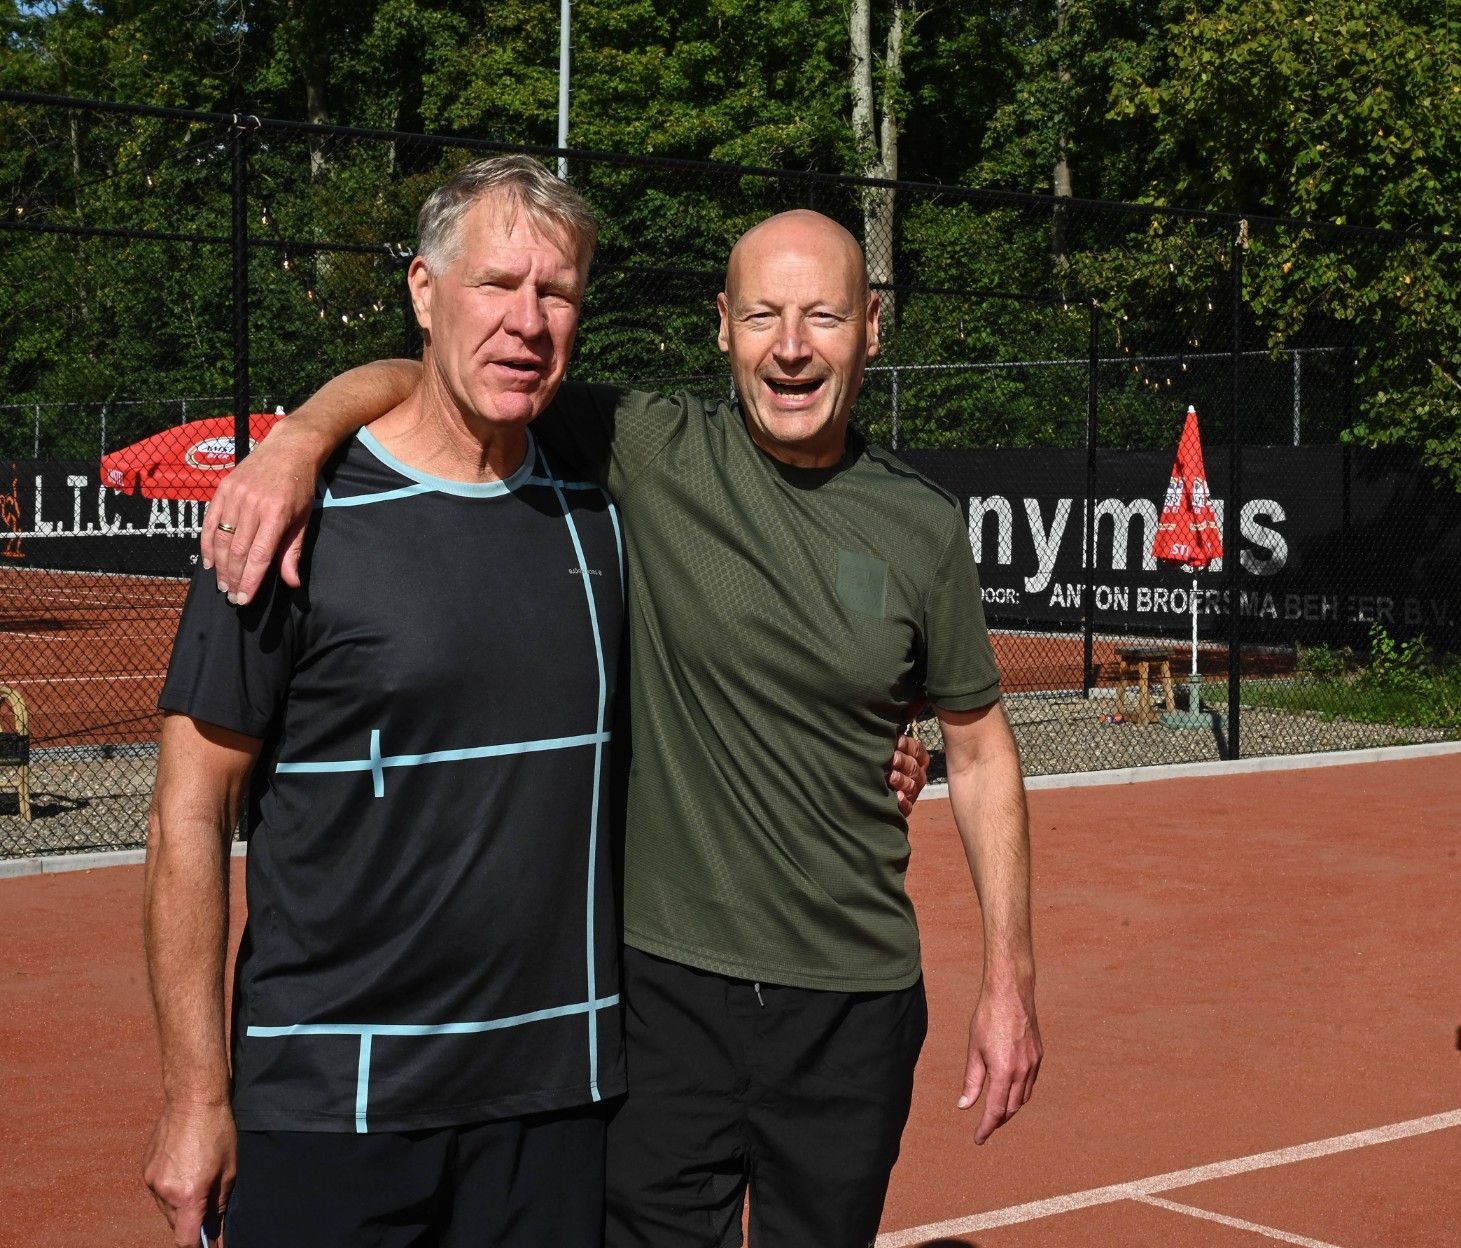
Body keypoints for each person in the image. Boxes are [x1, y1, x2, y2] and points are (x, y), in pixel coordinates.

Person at [204, 205, 1039, 1247]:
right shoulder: (645, 447)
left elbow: (980, 747)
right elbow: (440, 371)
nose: (790, 347)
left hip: (852, 1005)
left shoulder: (922, 523)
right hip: (658, 997)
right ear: (721, 325)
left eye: (822, 316)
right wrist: (296, 440)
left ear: (871, 325)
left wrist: (1009, 982)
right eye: (762, 315)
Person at [143, 157, 627, 1248]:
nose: (527, 321)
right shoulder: (282, 525)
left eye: (557, 293)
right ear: (422, 289)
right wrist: (195, 1099)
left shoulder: (601, 506)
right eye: (495, 283)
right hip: (332, 1107)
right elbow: (186, 815)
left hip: (554, 1101)